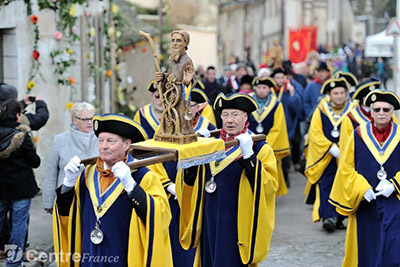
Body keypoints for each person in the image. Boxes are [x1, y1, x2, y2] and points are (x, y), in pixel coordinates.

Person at [53, 114, 172, 266]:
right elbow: (66, 214)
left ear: (127, 144)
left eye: (111, 141)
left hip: (123, 257)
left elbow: (161, 217)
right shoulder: (86, 174)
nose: (103, 146)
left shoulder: (144, 177)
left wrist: (132, 187)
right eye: (101, 140)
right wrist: (68, 183)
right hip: (90, 257)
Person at [177, 93, 278, 266]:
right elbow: (191, 181)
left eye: (235, 114)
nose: (229, 120)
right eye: (225, 115)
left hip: (237, 222)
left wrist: (250, 159)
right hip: (210, 217)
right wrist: (194, 153)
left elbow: (269, 187)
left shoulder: (259, 148)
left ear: (245, 117)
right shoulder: (211, 145)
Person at [329, 89, 400, 267]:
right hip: (365, 202)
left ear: (392, 112)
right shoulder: (358, 134)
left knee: (393, 248)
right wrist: (362, 188)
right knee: (367, 249)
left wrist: (395, 184)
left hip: (395, 202)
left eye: (386, 109)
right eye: (377, 110)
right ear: (371, 112)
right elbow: (346, 168)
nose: (381, 113)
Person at [304, 77, 355, 232]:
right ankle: (328, 217)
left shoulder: (353, 109)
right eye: (335, 93)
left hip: (347, 156)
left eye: (342, 93)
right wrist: (330, 147)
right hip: (327, 156)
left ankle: (340, 217)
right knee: (326, 184)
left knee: (344, 185)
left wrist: (346, 149)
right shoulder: (321, 109)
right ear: (329, 95)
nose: (339, 96)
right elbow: (315, 132)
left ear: (347, 93)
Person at [0, 100, 40, 267]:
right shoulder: (22, 137)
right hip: (21, 189)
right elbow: (35, 162)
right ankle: (14, 262)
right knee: (18, 224)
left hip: (1, 188)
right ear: (17, 116)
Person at [42, 102, 98, 213]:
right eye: (85, 119)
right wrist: (48, 201)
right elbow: (51, 173)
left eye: (92, 118)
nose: (90, 122)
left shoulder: (101, 139)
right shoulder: (60, 140)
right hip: (67, 197)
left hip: (95, 197)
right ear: (74, 120)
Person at [248, 77, 290, 196]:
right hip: (248, 142)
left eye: (264, 88)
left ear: (269, 89)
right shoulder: (248, 102)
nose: (261, 90)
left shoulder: (276, 104)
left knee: (269, 168)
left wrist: (264, 144)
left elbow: (278, 127)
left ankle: (268, 192)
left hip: (268, 144)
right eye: (259, 87)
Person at [271, 67, 303, 186]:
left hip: (288, 127)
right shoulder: (270, 91)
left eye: (281, 77)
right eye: (277, 77)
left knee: (285, 154)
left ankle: (285, 177)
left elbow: (297, 109)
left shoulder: (290, 90)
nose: (279, 80)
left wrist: (292, 94)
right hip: (274, 128)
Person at [338, 78, 382, 152]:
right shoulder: (350, 118)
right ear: (362, 98)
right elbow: (346, 146)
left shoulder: (387, 114)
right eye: (369, 97)